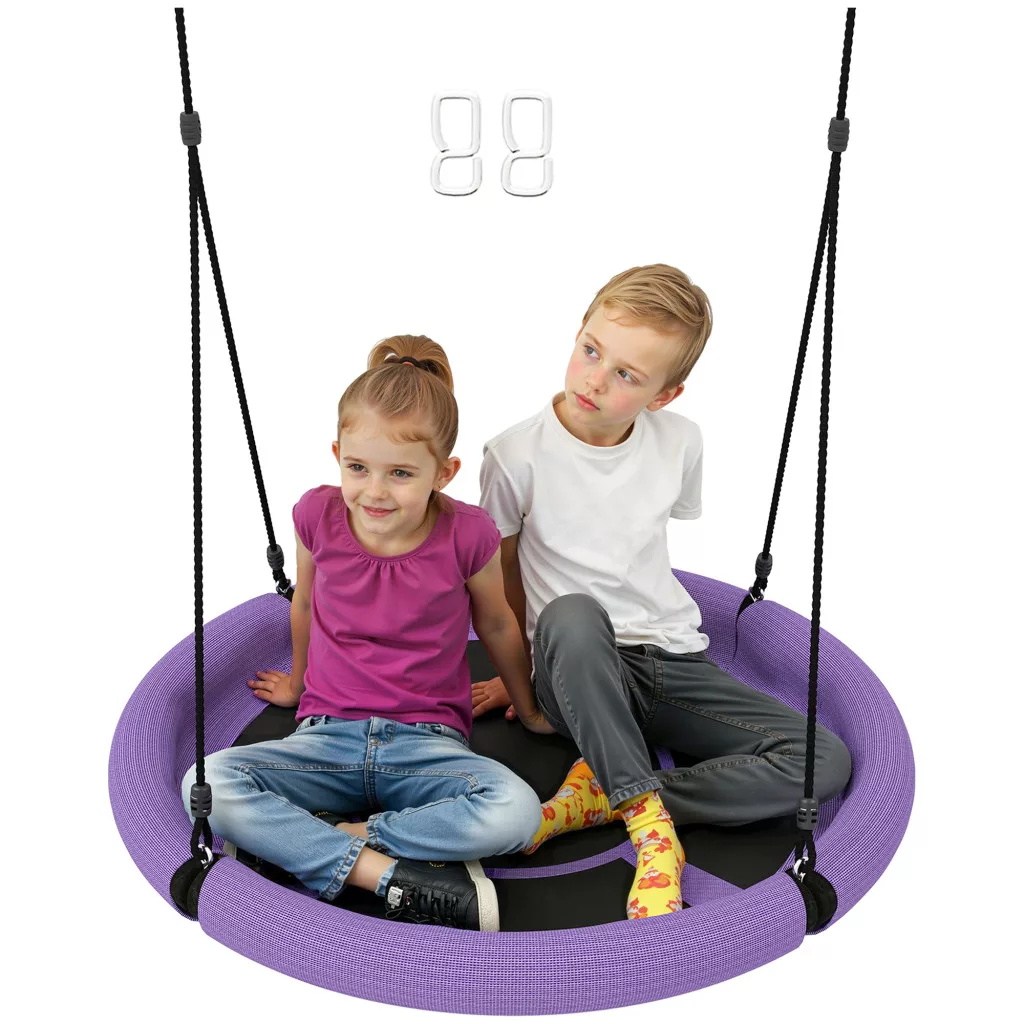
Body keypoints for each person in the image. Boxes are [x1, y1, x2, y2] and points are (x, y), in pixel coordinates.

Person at [474, 264, 852, 920]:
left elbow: (637, 541)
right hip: (578, 666)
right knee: (571, 613)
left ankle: (612, 798)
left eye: (627, 374)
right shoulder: (515, 454)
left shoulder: (681, 442)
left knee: (824, 761)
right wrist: (523, 679)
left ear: (665, 395)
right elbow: (501, 573)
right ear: (578, 333)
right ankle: (653, 833)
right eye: (591, 351)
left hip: (673, 660)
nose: (596, 378)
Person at [181, 335, 552, 932]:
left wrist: (528, 705)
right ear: (337, 454)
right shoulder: (316, 514)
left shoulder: (469, 533)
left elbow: (497, 621)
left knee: (518, 812)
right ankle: (383, 876)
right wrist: (298, 684)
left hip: (426, 746)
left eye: (400, 473)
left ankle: (337, 839)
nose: (375, 491)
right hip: (325, 739)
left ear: (444, 473)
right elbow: (305, 603)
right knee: (206, 784)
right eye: (358, 468)